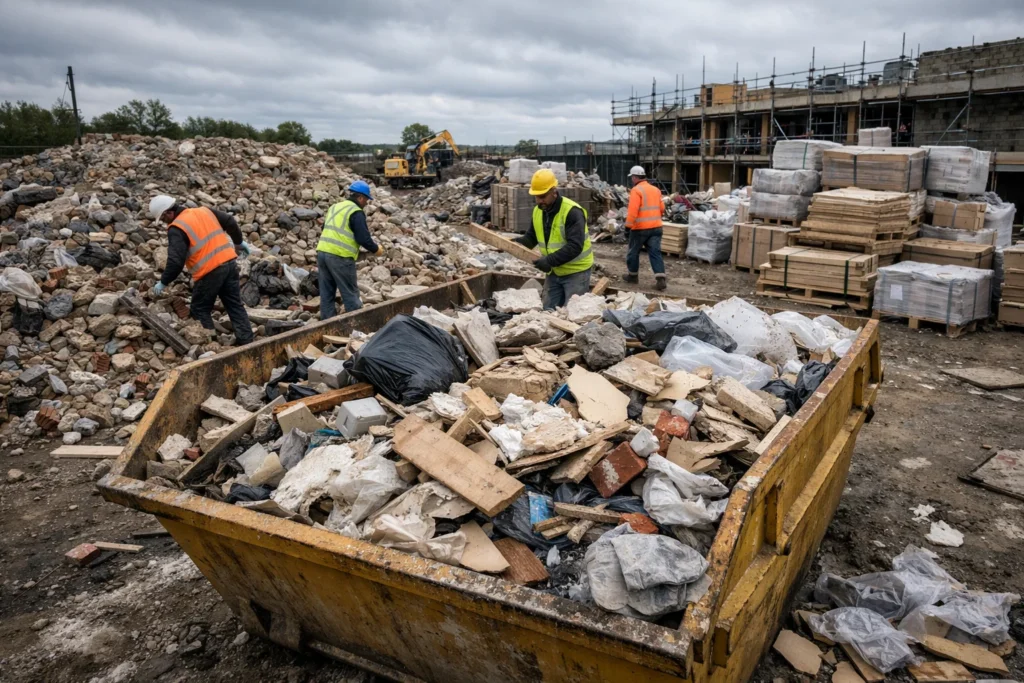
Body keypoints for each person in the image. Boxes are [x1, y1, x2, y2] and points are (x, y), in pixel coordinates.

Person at [148, 195, 254, 345]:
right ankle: (247, 341)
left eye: (163, 218)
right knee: (234, 304)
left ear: (168, 213)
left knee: (200, 308)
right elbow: (230, 221)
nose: (164, 222)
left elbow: (175, 261)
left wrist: (163, 282)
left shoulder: (177, 228)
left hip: (209, 272)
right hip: (230, 264)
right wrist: (238, 242)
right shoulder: (204, 211)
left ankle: (211, 345)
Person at [515, 168, 594, 310]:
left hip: (576, 272)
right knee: (548, 314)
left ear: (554, 191)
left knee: (573, 316)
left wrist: (549, 260)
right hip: (554, 272)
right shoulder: (538, 211)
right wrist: (513, 244)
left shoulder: (572, 212)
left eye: (543, 196)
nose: (539, 201)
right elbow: (531, 238)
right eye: (537, 197)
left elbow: (575, 246)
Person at [316, 180, 384, 319]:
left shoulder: (335, 207)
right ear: (360, 198)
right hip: (340, 256)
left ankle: (326, 326)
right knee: (350, 294)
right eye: (366, 200)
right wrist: (377, 249)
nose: (366, 203)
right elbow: (363, 238)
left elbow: (325, 229)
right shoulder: (356, 211)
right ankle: (356, 327)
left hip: (322, 253)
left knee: (327, 294)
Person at [624, 165, 666, 290]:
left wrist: (628, 227)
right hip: (656, 227)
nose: (632, 179)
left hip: (640, 229)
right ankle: (661, 280)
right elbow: (662, 208)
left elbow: (633, 211)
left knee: (633, 252)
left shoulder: (636, 190)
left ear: (635, 177)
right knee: (655, 253)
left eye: (632, 177)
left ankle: (633, 277)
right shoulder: (655, 190)